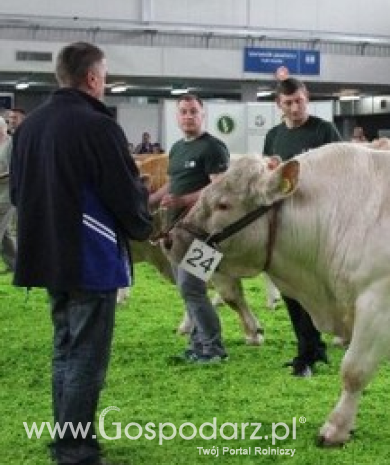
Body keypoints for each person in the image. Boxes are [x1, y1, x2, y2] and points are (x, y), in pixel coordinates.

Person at [10, 41, 152, 465]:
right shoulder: (99, 126)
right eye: (104, 75)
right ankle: (74, 448)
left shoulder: (28, 127)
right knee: (87, 356)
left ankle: (64, 435)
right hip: (88, 256)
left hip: (46, 254)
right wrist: (144, 223)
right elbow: (124, 194)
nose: (105, 83)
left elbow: (17, 193)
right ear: (92, 77)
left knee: (65, 348)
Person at [263, 77, 340, 377]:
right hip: (286, 222)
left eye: (300, 101)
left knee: (311, 288)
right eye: (288, 103)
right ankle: (308, 349)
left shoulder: (324, 130)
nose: (295, 108)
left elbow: (340, 175)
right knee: (289, 287)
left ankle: (310, 351)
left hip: (318, 222)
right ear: (278, 105)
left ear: (307, 98)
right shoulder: (273, 136)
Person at [149, 94, 230, 364]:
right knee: (188, 291)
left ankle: (214, 348)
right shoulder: (177, 149)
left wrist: (184, 200)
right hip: (174, 232)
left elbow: (218, 189)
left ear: (203, 114)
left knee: (192, 289)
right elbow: (171, 186)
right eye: (183, 112)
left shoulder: (214, 148)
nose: (188, 116)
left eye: (193, 111)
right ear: (177, 116)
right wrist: (148, 201)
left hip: (205, 234)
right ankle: (198, 346)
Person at [0, 117, 15, 272]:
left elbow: (14, 169)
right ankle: (14, 264)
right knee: (5, 234)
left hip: (7, 193)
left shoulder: (11, 144)